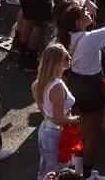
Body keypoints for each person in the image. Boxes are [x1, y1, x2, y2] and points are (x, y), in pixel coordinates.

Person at [34, 43, 78, 177]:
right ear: (57, 62)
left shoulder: (44, 80)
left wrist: (47, 114)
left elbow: (34, 88)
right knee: (56, 173)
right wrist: (76, 119)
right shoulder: (57, 86)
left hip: (46, 129)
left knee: (46, 169)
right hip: (55, 135)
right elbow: (59, 119)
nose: (70, 57)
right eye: (66, 57)